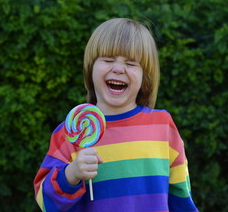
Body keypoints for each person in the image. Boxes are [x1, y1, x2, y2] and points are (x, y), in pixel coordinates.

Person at [33, 18, 199, 212]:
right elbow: (45, 202)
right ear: (90, 68)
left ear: (145, 76)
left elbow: (181, 195)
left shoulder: (162, 125)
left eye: (130, 63)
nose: (118, 69)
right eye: (108, 60)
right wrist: (71, 175)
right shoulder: (71, 132)